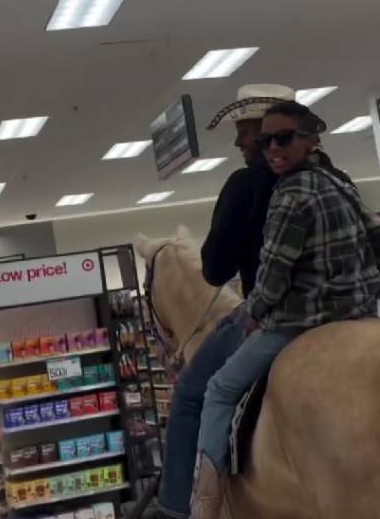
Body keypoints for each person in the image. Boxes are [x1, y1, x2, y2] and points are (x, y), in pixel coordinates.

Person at [192, 102, 380, 518]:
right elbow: (375, 235)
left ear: (313, 138)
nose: (272, 148)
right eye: (266, 141)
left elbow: (274, 275)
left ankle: (205, 503)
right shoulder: (338, 181)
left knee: (218, 389)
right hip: (362, 311)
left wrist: (252, 314)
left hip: (301, 321)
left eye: (284, 138)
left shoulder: (289, 194)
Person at [147, 85, 290, 519]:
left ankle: (175, 507)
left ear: (266, 132)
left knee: (192, 393)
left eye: (245, 130)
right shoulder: (323, 175)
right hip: (349, 307)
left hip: (271, 311)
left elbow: (212, 270)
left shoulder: (245, 184)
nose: (238, 142)